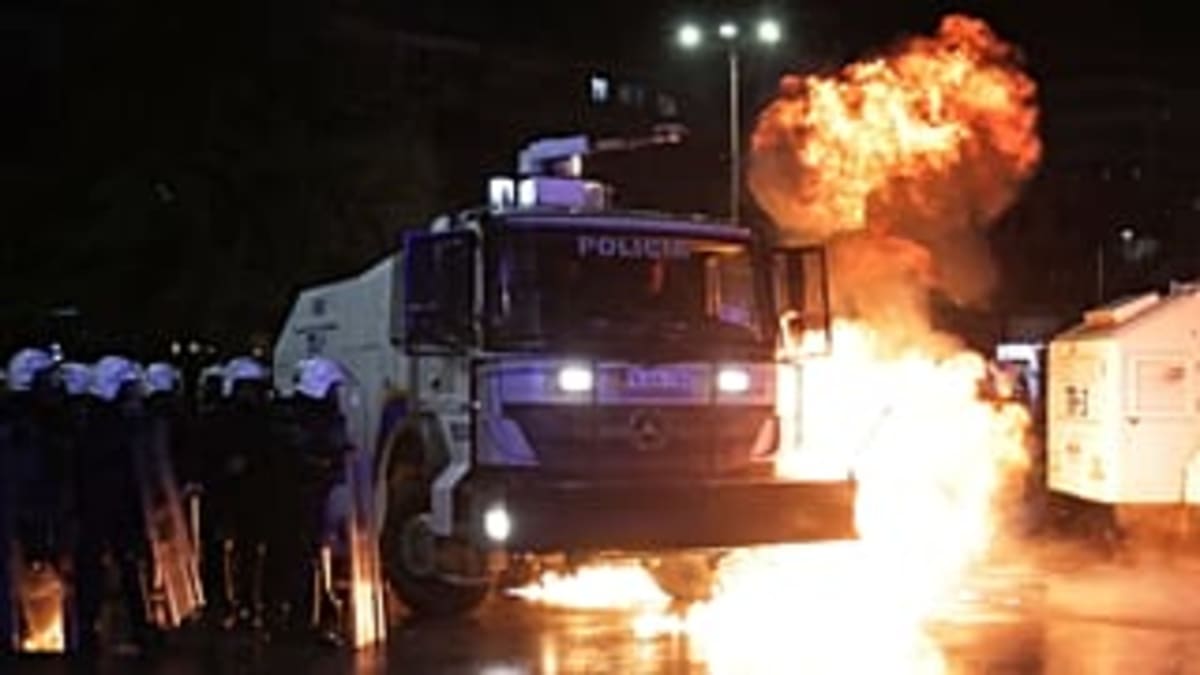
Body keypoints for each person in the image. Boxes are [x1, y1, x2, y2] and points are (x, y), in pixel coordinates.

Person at [74, 356, 155, 654]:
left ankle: (130, 626)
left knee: (118, 567)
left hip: (108, 508)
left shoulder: (103, 421)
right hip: (104, 508)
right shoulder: (106, 426)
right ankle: (94, 630)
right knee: (102, 568)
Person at [271, 357, 351, 639]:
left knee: (312, 557)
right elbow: (296, 457)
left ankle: (314, 616)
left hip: (316, 498)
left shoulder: (320, 417)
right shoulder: (292, 418)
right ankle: (298, 620)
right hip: (296, 500)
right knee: (298, 559)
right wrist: (322, 462)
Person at [205, 356, 273, 630]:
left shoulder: (261, 418)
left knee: (251, 552)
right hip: (230, 496)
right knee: (230, 551)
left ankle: (249, 602)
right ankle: (231, 602)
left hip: (255, 496)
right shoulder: (222, 419)